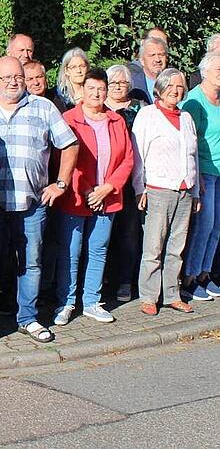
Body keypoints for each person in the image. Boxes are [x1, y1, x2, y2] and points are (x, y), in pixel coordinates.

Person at [0, 57, 79, 344]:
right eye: (6, 78)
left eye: (18, 76)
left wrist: (61, 183)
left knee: (31, 264)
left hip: (32, 204)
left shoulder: (43, 107)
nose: (13, 82)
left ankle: (28, 318)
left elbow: (69, 144)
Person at [52, 68, 134, 326]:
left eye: (101, 89)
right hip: (77, 197)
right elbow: (64, 160)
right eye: (91, 89)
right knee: (71, 251)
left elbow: (128, 159)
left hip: (107, 196)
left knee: (98, 249)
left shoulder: (117, 121)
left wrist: (108, 188)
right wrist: (88, 189)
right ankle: (66, 302)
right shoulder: (68, 119)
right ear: (83, 91)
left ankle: (91, 301)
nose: (97, 93)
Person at [132, 68, 199, 315]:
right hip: (158, 189)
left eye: (180, 86)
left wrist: (196, 191)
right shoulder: (148, 115)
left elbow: (193, 156)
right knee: (153, 247)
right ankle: (149, 296)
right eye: (170, 86)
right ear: (159, 89)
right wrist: (140, 189)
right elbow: (138, 155)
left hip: (185, 191)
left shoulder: (186, 118)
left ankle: (172, 293)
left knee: (177, 247)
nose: (175, 90)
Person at [104, 64, 148, 302]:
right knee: (103, 234)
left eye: (123, 82)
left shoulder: (140, 109)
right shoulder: (99, 109)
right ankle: (103, 279)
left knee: (129, 234)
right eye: (114, 82)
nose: (119, 86)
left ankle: (125, 281)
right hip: (106, 181)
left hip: (132, 182)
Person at [181, 53, 220, 301]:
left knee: (217, 228)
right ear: (205, 71)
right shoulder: (195, 101)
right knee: (203, 227)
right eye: (218, 69)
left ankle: (206, 273)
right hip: (205, 171)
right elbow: (189, 142)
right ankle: (190, 278)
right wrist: (197, 175)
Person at [128, 37, 168, 104]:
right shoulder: (132, 83)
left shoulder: (174, 81)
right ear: (142, 60)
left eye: (161, 55)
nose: (157, 60)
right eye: (152, 55)